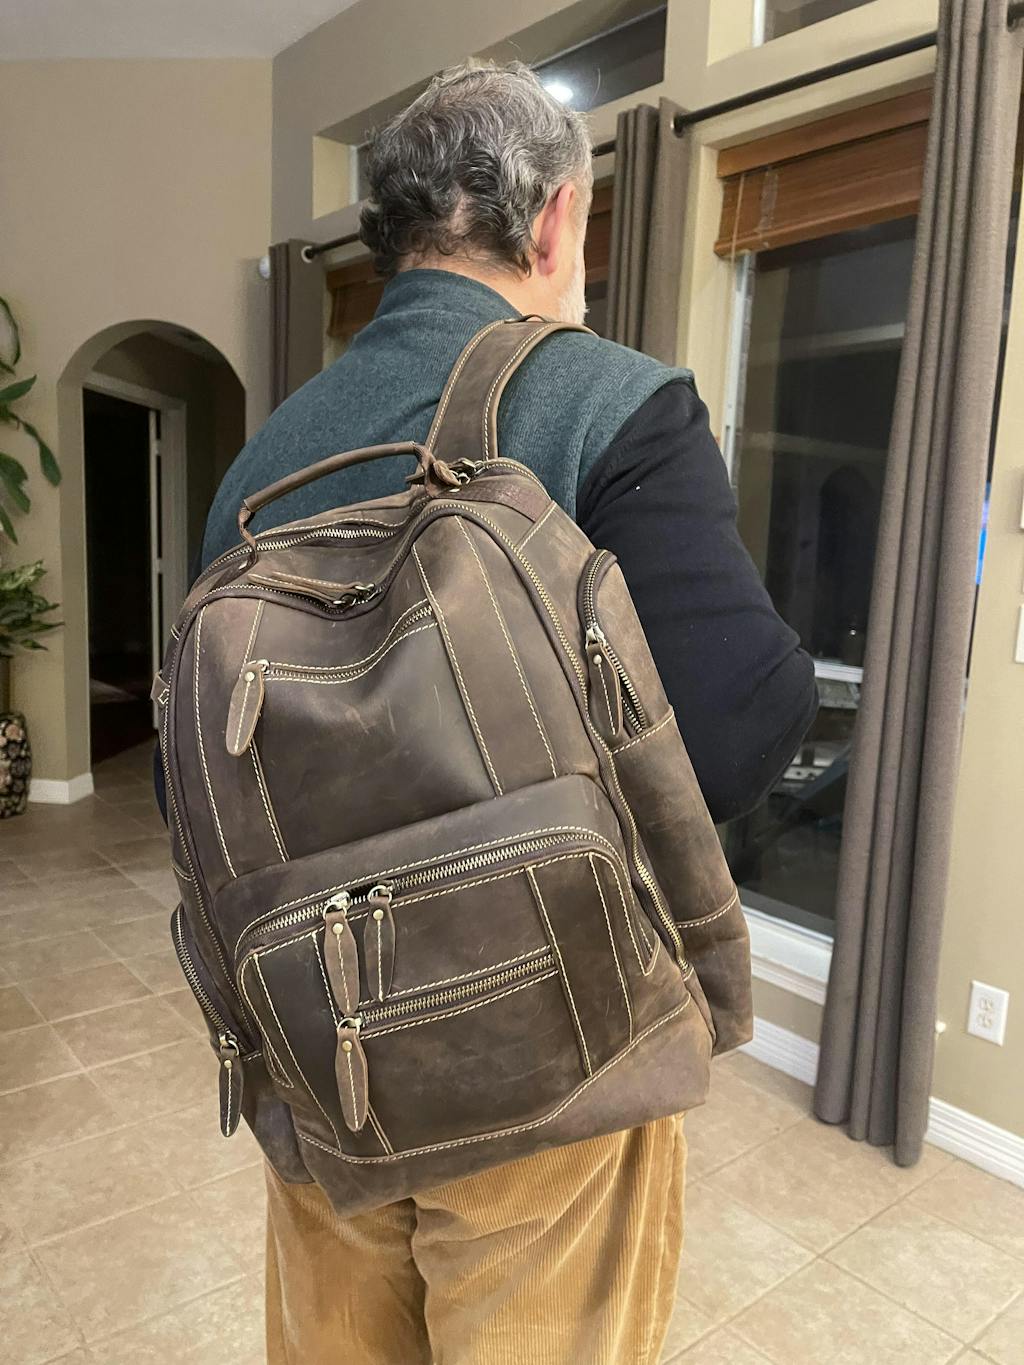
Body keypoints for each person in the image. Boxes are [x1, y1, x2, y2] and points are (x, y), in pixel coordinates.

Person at [199, 60, 817, 1365]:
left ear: (393, 234)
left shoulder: (266, 459)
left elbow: (201, 784)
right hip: (547, 1063)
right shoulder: (605, 403)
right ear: (555, 220)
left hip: (325, 1055)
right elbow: (734, 726)